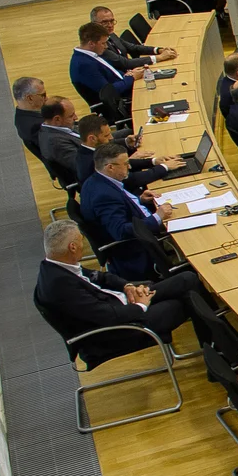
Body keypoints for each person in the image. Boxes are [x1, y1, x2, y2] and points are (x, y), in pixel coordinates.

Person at [36, 219, 202, 346]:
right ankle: (212, 347)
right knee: (189, 301)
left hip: (122, 303)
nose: (83, 243)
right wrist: (140, 305)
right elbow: (106, 316)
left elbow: (101, 277)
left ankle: (212, 340)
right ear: (72, 247)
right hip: (121, 327)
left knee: (187, 279)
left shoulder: (59, 266)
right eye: (81, 239)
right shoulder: (60, 287)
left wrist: (127, 286)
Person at [78, 143, 173, 279]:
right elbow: (121, 231)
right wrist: (157, 217)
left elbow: (119, 207)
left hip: (139, 223)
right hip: (136, 251)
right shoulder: (104, 196)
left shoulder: (95, 180)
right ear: (110, 167)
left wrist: (139, 200)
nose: (129, 167)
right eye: (126, 163)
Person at [69, 21, 141, 117]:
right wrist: (131, 78)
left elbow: (111, 73)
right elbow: (109, 92)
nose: (106, 46)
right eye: (103, 43)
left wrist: (129, 74)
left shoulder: (91, 54)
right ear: (91, 43)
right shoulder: (84, 65)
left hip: (127, 92)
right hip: (120, 106)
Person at [92, 5, 174, 71]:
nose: (110, 25)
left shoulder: (110, 34)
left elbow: (132, 47)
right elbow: (126, 63)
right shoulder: (98, 44)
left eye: (112, 21)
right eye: (105, 22)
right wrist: (160, 57)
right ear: (94, 24)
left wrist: (158, 50)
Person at [12, 76, 46, 159]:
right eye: (43, 95)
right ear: (30, 98)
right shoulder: (34, 126)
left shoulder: (23, 116)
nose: (46, 98)